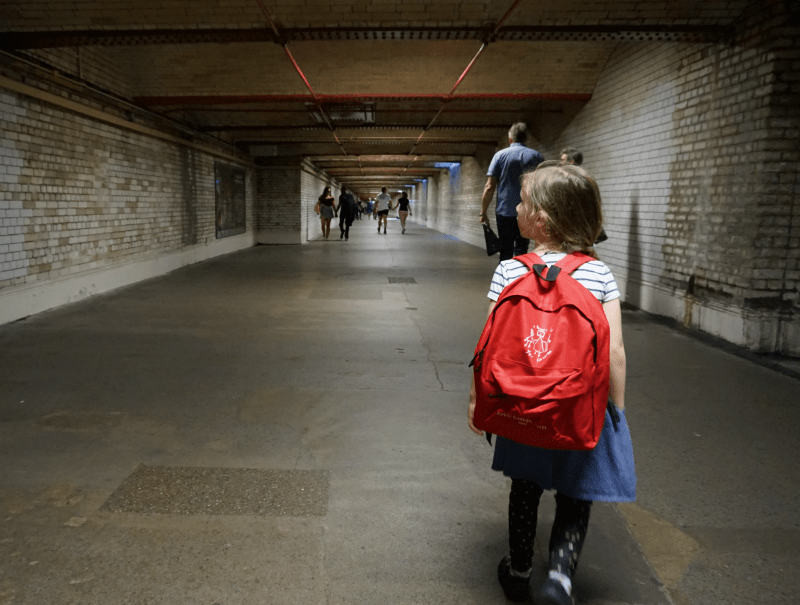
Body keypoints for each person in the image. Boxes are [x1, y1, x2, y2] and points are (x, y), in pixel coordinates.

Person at [468, 162, 635, 605]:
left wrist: (476, 401)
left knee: (524, 487)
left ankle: (519, 569)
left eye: (522, 202)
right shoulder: (599, 276)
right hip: (580, 407)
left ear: (539, 218)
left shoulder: (510, 272)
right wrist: (615, 411)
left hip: (519, 405)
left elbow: (487, 347)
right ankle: (560, 577)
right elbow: (614, 351)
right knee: (575, 494)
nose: (516, 207)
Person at [480, 123, 544, 261]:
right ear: (526, 139)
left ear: (510, 139)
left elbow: (489, 186)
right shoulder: (537, 157)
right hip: (528, 211)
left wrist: (483, 212)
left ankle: (505, 280)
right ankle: (520, 279)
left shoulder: (499, 156)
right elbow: (542, 186)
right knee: (522, 249)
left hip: (504, 212)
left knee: (505, 250)